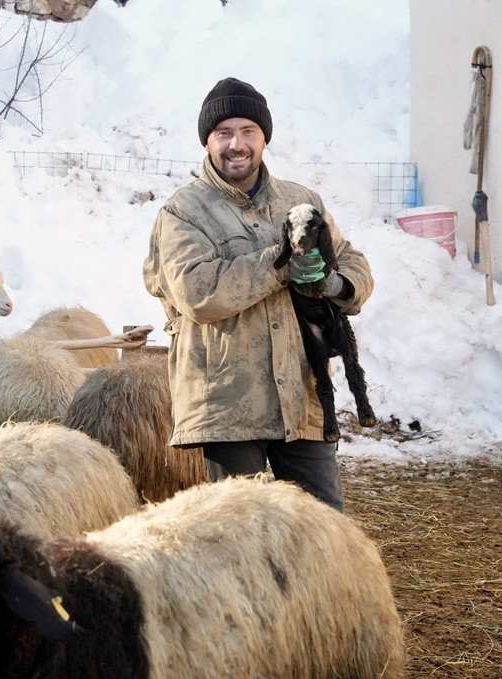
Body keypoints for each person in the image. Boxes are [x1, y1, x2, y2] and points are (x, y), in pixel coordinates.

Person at [142, 76, 374, 512]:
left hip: (301, 399)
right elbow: (198, 292)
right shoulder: (182, 211)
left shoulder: (301, 200)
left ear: (264, 137)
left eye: (248, 131)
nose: (236, 144)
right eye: (223, 133)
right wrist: (281, 263)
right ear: (208, 142)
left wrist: (334, 284)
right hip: (226, 403)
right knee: (238, 536)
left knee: (323, 529)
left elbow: (352, 261)